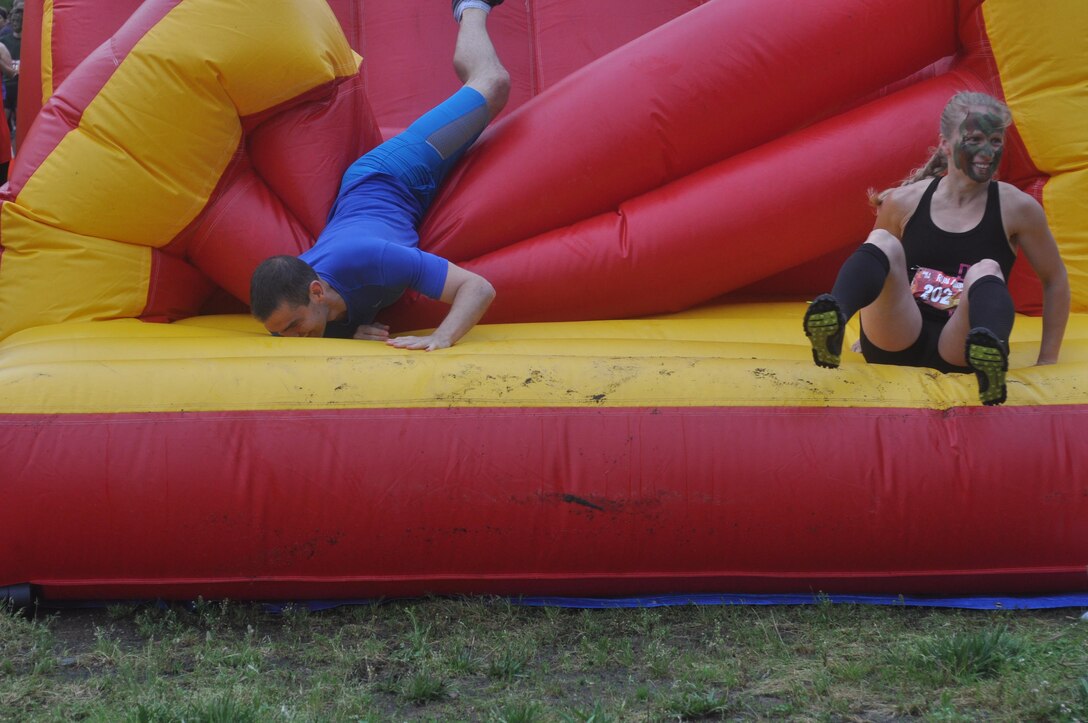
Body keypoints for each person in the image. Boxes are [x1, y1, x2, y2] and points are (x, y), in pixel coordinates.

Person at [249, 0, 508, 351]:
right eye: (279, 334)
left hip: (397, 172)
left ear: (316, 292)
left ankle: (471, 7)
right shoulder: (298, 299)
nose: (290, 339)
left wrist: (442, 337)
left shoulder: (369, 257)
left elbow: (478, 287)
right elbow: (319, 318)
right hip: (384, 198)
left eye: (294, 326)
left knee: (492, 84)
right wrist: (349, 333)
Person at [803, 91, 1069, 406]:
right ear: (945, 144)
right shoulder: (905, 201)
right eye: (974, 139)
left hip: (961, 344)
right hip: (899, 335)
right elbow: (875, 270)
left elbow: (1054, 279)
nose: (986, 151)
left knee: (986, 269)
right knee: (883, 243)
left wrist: (1047, 360)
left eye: (996, 141)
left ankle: (990, 357)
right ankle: (834, 320)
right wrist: (868, 331)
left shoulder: (1016, 208)